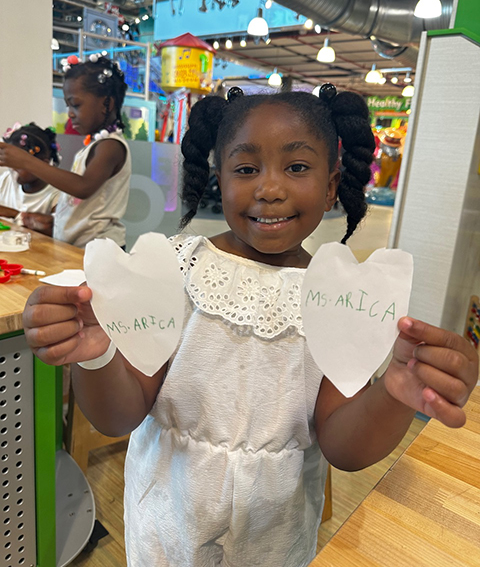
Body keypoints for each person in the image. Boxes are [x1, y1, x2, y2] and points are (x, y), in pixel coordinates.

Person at [22, 85, 478, 567]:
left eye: (297, 167)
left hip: (274, 540)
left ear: (331, 185)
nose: (270, 188)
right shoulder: (176, 271)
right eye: (246, 169)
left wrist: (393, 392)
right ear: (220, 178)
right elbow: (118, 416)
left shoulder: (337, 297)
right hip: (166, 524)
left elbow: (343, 446)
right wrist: (97, 354)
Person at [0, 54, 131, 248]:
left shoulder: (111, 147)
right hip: (81, 248)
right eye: (68, 105)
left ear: (107, 104)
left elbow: (83, 187)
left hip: (101, 251)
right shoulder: (96, 145)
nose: (70, 113)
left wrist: (26, 161)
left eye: (76, 105)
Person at [0, 123, 60, 231]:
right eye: (10, 162)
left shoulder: (56, 195)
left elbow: (57, 231)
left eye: (19, 164)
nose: (13, 169)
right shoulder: (6, 180)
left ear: (42, 165)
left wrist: (15, 214)